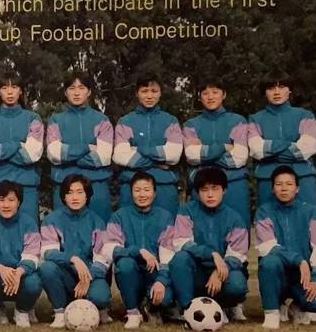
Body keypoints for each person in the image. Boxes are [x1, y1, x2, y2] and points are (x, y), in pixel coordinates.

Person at [94, 171, 177, 329]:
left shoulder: (165, 217)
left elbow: (168, 254)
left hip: (155, 272)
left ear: (154, 192)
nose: (142, 194)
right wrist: (138, 251)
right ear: (131, 193)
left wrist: (161, 280)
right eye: (137, 190)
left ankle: (152, 307)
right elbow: (111, 249)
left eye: (146, 190)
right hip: (130, 272)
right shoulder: (119, 216)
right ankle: (132, 312)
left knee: (165, 298)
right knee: (125, 263)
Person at [255, 165, 316, 329]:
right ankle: (272, 312)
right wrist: (299, 261)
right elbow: (267, 247)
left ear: (297, 189)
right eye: (279, 184)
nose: (284, 188)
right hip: (278, 274)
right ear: (273, 188)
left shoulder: (311, 212)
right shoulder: (264, 211)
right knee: (269, 262)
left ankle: (297, 306)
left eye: (289, 184)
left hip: (302, 278)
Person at [169, 167, 249, 318]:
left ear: (224, 190)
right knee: (180, 259)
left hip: (223, 271)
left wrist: (218, 272)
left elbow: (238, 254)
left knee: (237, 284)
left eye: (215, 189)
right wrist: (212, 254)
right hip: (196, 271)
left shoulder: (235, 218)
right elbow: (182, 242)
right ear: (198, 192)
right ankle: (188, 309)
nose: (210, 194)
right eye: (205, 189)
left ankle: (224, 305)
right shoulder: (186, 211)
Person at [39, 174, 112, 328]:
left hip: (90, 274)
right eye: (69, 192)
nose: (75, 197)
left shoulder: (97, 221)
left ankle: (99, 307)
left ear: (87, 195)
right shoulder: (51, 220)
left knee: (101, 297)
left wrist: (87, 278)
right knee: (47, 267)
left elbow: (103, 257)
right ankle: (59, 312)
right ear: (64, 197)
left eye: (80, 192)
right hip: (66, 273)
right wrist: (73, 259)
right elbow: (48, 252)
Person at [46, 71, 113, 222]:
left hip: (97, 187)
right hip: (64, 187)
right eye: (71, 88)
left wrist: (68, 156)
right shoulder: (56, 120)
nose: (76, 93)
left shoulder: (102, 120)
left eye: (81, 88)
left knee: (100, 237)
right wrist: (88, 148)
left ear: (89, 91)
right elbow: (55, 154)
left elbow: (103, 157)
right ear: (65, 92)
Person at [0, 181, 42, 328]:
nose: (6, 205)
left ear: (19, 202)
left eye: (11, 200)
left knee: (34, 282)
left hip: (20, 274)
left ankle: (22, 310)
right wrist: (1, 269)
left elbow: (32, 255)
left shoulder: (28, 223)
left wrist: (18, 273)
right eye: (1, 200)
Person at [247, 72, 316, 208]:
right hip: (267, 179)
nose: (276, 92)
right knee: (269, 224)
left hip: (303, 177)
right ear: (265, 92)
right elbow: (257, 150)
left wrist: (270, 152)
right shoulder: (255, 119)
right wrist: (291, 145)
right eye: (271, 88)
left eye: (281, 87)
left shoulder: (305, 115)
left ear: (289, 90)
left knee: (309, 223)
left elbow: (306, 149)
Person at [113, 75, 183, 215]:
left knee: (166, 233)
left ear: (160, 93)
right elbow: (120, 156)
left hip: (164, 188)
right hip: (131, 188)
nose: (149, 96)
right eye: (144, 91)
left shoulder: (171, 121)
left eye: (154, 91)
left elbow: (174, 156)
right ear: (137, 93)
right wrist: (158, 163)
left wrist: (137, 150)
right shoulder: (125, 122)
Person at [183, 80, 250, 227]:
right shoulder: (191, 125)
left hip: (234, 185)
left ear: (223, 94)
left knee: (238, 234)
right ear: (199, 97)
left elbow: (239, 158)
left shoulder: (238, 121)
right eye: (205, 93)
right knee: (201, 235)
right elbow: (192, 156)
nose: (210, 97)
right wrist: (224, 147)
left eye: (215, 92)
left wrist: (204, 155)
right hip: (201, 187)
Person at [0, 71, 44, 220]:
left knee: (28, 236)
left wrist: (2, 150)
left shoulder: (33, 119)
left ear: (20, 91)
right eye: (4, 88)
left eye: (14, 87)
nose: (9, 92)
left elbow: (31, 155)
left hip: (26, 187)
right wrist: (19, 145)